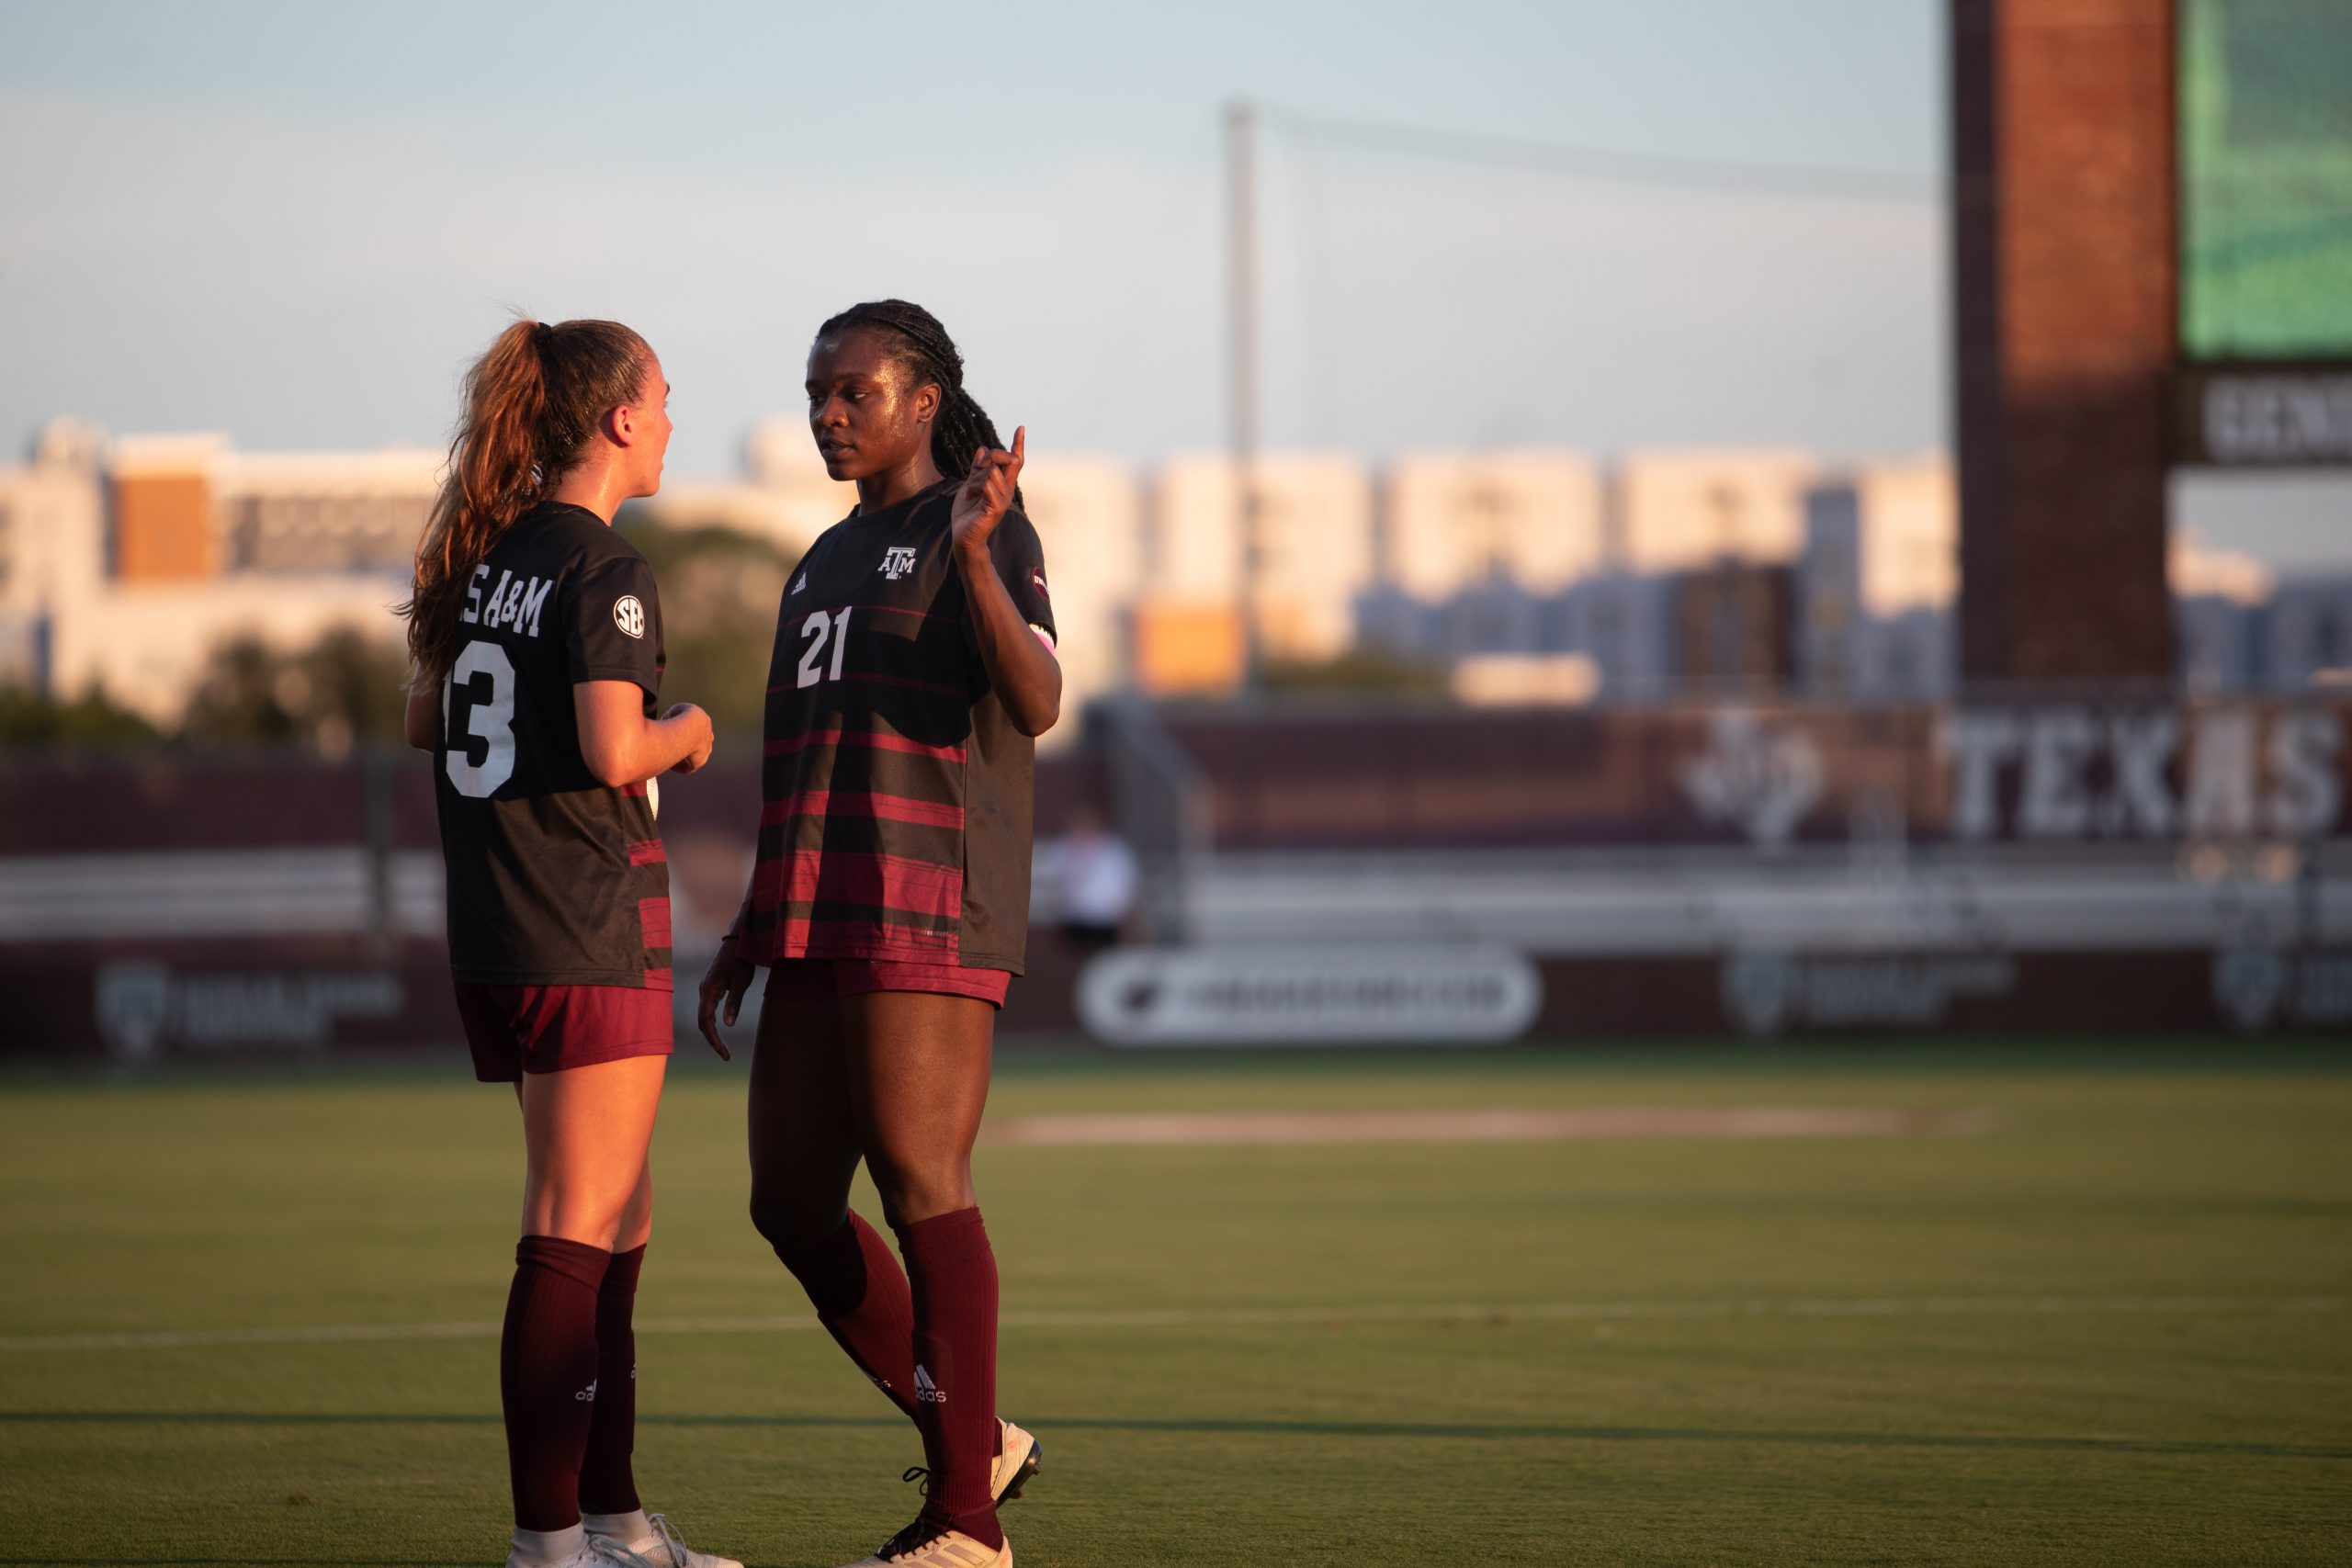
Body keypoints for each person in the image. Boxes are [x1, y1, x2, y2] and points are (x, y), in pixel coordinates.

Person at [696, 300, 1059, 1568]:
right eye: (816, 394)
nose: (828, 415)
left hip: (928, 893)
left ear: (922, 398)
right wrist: (753, 915)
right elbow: (801, 753)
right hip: (812, 903)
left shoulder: (979, 522)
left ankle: (965, 1524)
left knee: (920, 1182)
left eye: (854, 392)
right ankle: (976, 1432)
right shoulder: (820, 557)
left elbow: (1040, 697)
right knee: (788, 1201)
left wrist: (972, 561)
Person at [400, 317, 739, 1568]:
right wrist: (691, 727)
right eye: (660, 398)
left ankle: (618, 1521)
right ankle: (548, 1539)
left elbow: (426, 721)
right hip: (584, 920)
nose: (666, 418)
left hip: (502, 917)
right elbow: (613, 749)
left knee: (619, 1216)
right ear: (613, 418)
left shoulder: (483, 556)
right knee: (572, 1219)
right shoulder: (605, 563)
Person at [1042, 803, 1138, 953]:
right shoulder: (1064, 850)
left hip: (1107, 921)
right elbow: (1056, 884)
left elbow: (1127, 885)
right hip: (1074, 921)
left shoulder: (1113, 849)